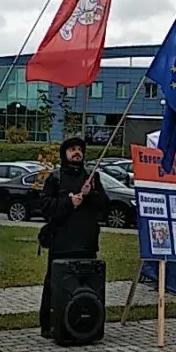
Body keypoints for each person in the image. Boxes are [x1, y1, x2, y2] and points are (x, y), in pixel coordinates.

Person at [38, 137, 108, 338]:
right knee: (55, 284)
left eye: (80, 149)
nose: (76, 152)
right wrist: (69, 202)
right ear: (64, 153)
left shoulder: (92, 178)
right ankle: (49, 324)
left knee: (86, 283)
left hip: (86, 242)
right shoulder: (56, 178)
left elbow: (104, 205)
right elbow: (45, 207)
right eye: (72, 149)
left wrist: (90, 194)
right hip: (61, 243)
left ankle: (84, 323)